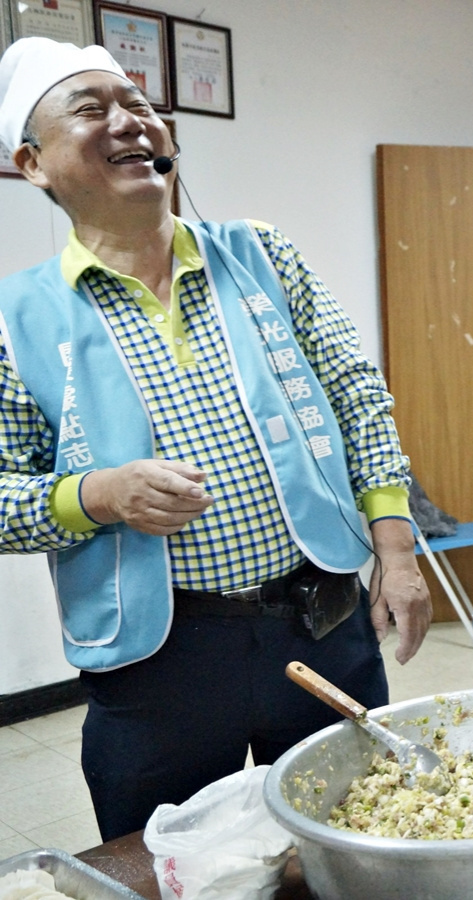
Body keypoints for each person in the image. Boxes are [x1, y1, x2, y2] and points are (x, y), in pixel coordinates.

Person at [0, 38, 432, 841]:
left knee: (358, 839)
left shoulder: (262, 255)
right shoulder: (14, 319)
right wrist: (94, 495)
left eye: (138, 106)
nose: (129, 123)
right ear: (32, 162)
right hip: (158, 660)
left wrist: (398, 554)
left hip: (320, 623)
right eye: (92, 111)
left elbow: (357, 397)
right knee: (170, 857)